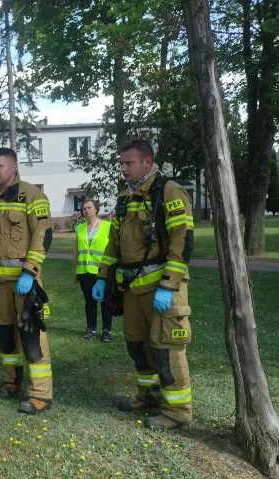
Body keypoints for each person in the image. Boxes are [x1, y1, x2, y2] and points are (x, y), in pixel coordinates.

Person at [92, 140, 195, 430]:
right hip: (133, 289)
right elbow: (114, 242)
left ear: (147, 162)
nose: (123, 168)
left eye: (129, 163)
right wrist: (102, 276)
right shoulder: (125, 197)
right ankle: (148, 396)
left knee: (166, 348)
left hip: (162, 289)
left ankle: (178, 411)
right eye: (121, 163)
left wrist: (169, 284)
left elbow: (182, 241)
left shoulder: (169, 191)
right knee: (137, 345)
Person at [0, 147, 54, 415]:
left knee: (31, 336)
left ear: (14, 167)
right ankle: (11, 381)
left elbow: (43, 235)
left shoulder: (33, 196)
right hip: (1, 285)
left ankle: (41, 394)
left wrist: (30, 272)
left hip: (25, 282)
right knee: (5, 336)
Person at [75, 199, 113, 342]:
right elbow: (76, 251)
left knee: (105, 301)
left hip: (102, 271)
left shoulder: (108, 227)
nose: (86, 210)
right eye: (83, 208)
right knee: (89, 302)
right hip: (84, 271)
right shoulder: (79, 228)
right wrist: (75, 272)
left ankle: (106, 331)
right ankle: (91, 329)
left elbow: (112, 250)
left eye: (89, 207)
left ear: (96, 209)